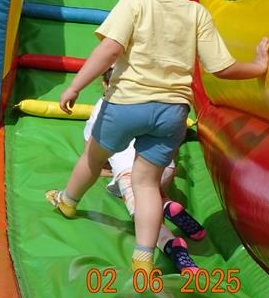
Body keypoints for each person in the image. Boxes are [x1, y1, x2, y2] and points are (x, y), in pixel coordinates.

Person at [45, 0, 269, 273]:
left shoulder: (134, 3)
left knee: (93, 156)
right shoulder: (197, 13)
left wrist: (75, 86)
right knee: (147, 183)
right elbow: (221, 68)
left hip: (126, 103)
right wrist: (258, 66)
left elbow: (110, 49)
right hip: (172, 112)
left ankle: (68, 200)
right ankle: (144, 257)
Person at [83, 73, 205, 274]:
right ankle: (167, 204)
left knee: (143, 213)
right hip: (163, 168)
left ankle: (172, 246)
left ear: (105, 84)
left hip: (129, 173)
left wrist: (106, 170)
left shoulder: (104, 109)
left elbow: (92, 152)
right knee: (152, 191)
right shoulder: (153, 98)